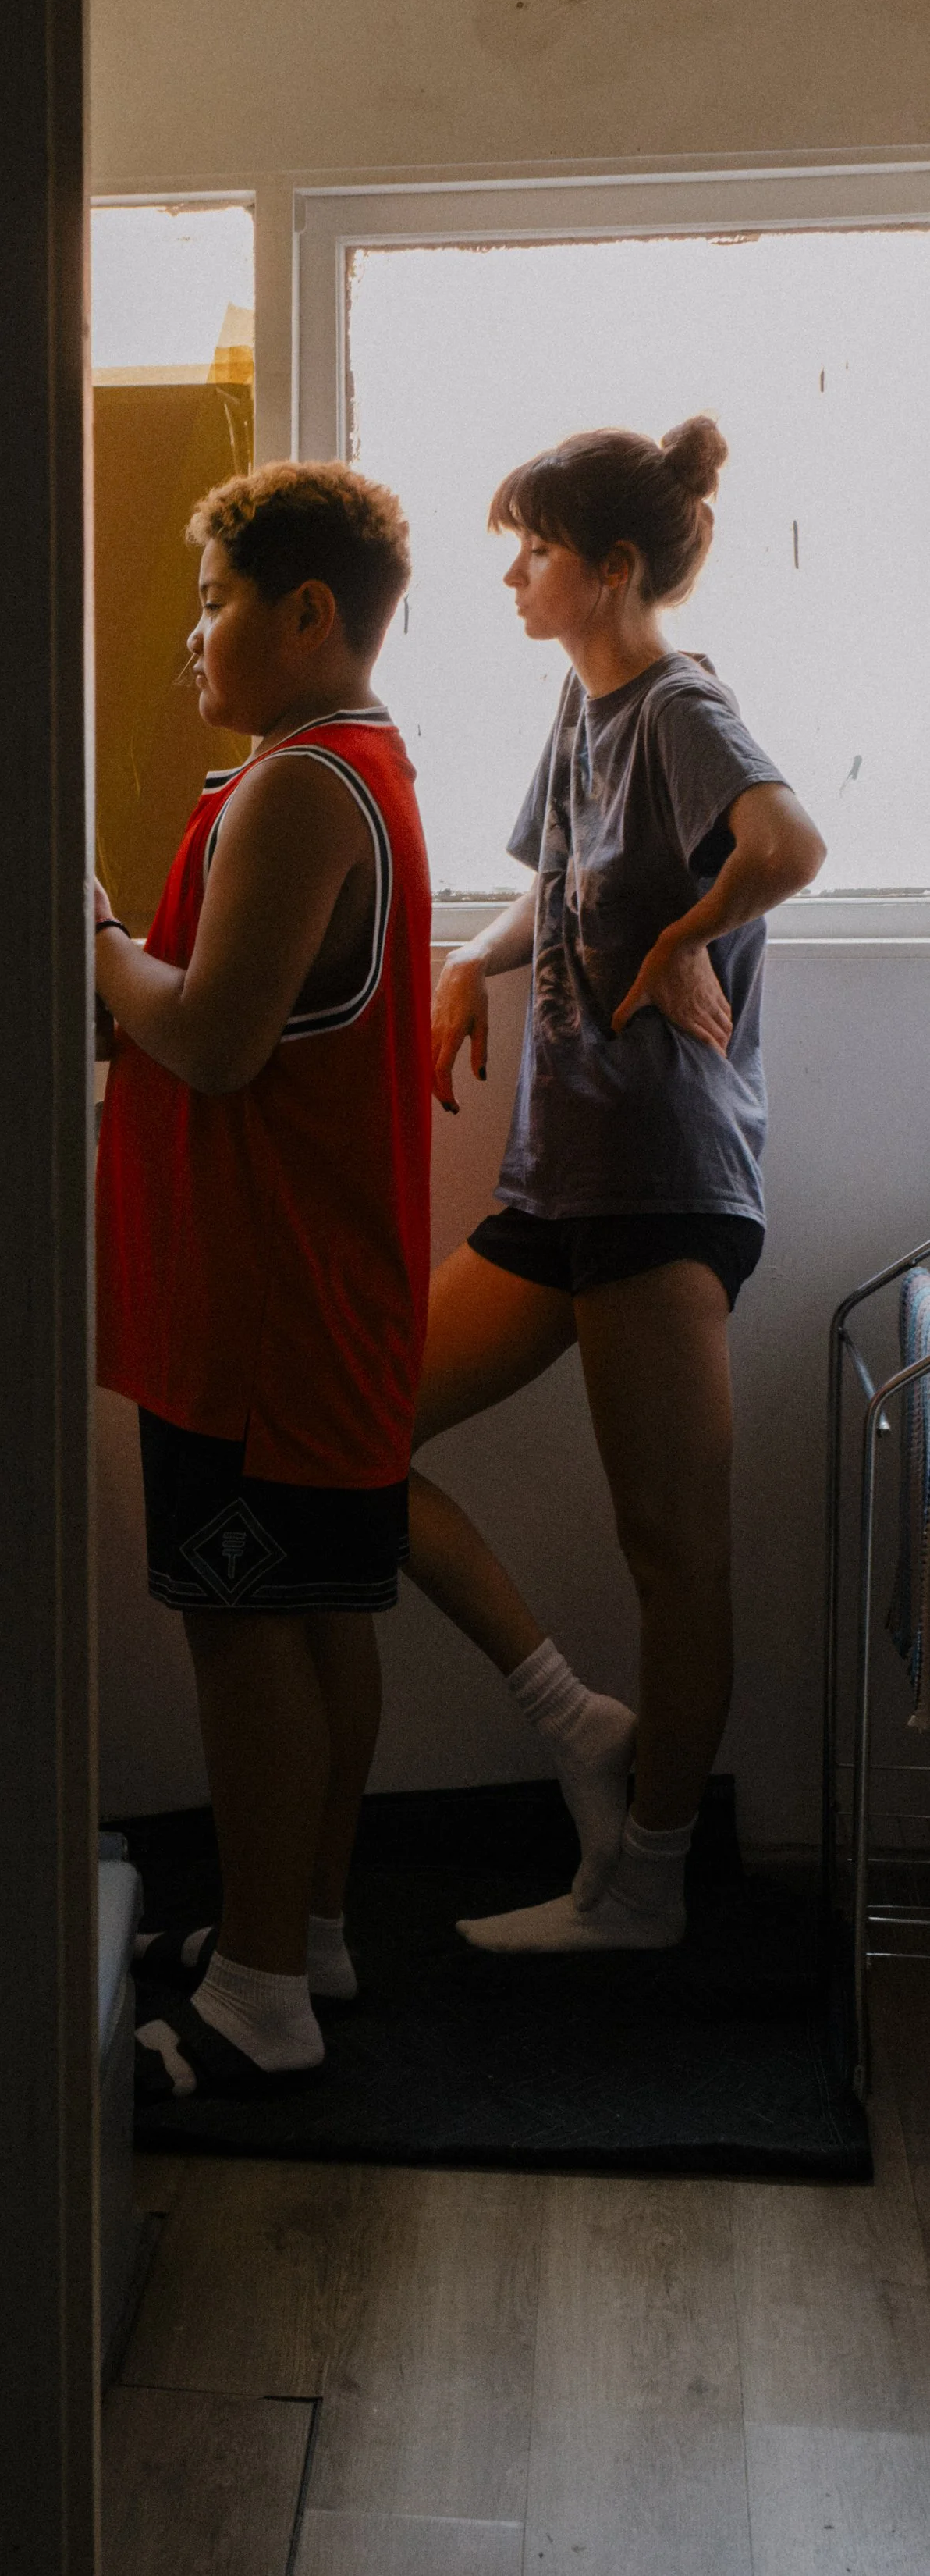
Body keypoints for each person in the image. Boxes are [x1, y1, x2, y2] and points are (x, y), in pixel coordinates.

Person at [410, 415, 826, 1954]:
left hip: (659, 1186)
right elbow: (548, 888)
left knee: (672, 1548)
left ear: (613, 567)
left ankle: (647, 1882)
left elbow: (786, 842)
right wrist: (467, 961)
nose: (511, 574)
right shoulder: (579, 716)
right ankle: (575, 1722)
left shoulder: (675, 704)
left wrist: (674, 943)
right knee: (346, 1438)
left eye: (532, 547)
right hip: (558, 1185)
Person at [95, 461, 431, 2097]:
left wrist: (89, 946)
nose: (192, 642)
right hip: (312, 1298)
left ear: (307, 614)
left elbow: (215, 1047)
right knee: (313, 1618)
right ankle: (300, 1926)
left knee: (243, 1636)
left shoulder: (299, 786)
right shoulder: (355, 769)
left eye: (214, 604)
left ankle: (258, 1990)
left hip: (261, 1310)